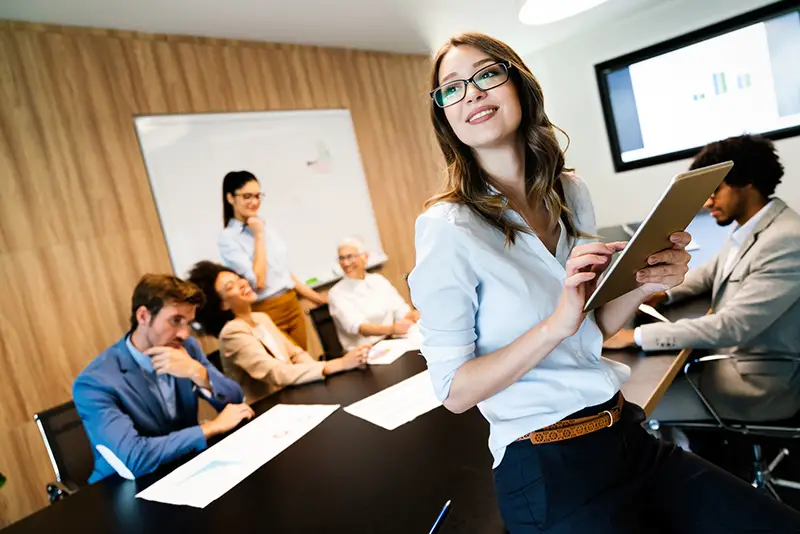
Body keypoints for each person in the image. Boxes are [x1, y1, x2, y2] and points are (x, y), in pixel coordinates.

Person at [408, 32, 800, 533]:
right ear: (444, 115)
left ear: (518, 84)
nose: (471, 93)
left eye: (486, 74)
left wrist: (642, 283)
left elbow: (593, 322)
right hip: (548, 468)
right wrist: (556, 324)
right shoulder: (447, 227)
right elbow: (454, 391)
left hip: (625, 433)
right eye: (452, 88)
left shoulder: (569, 191)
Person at [604, 135, 800, 423]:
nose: (707, 202)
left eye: (715, 191)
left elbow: (733, 327)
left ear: (747, 183)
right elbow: (712, 272)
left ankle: (680, 454)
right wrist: (664, 293)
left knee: (629, 407)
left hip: (756, 387)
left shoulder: (784, 240)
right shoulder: (757, 226)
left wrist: (633, 337)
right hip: (729, 362)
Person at [73, 275, 253, 483]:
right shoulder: (94, 382)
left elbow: (235, 402)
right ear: (143, 316)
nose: (184, 334)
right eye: (175, 321)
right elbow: (135, 458)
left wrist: (198, 373)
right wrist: (211, 428)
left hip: (184, 471)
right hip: (125, 489)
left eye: (188, 323)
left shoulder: (186, 349)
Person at [188, 261, 370, 403]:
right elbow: (277, 373)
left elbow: (296, 354)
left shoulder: (261, 318)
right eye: (231, 286)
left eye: (238, 278)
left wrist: (324, 371)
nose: (243, 283)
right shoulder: (231, 334)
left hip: (293, 396)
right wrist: (336, 365)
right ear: (222, 304)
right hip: (268, 410)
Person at [218, 170, 326, 351]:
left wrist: (316, 298)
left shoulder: (263, 224)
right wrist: (258, 235)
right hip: (266, 311)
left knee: (305, 360)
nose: (254, 202)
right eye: (247, 196)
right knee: (289, 368)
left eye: (257, 196)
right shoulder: (229, 238)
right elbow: (257, 281)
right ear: (230, 198)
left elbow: (284, 274)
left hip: (291, 303)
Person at [328, 237, 419, 350]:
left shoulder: (378, 280)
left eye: (350, 257)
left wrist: (412, 315)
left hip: (394, 341)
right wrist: (391, 329)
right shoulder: (336, 293)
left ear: (365, 257)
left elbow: (400, 310)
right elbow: (360, 328)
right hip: (365, 351)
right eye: (341, 258)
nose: (346, 263)